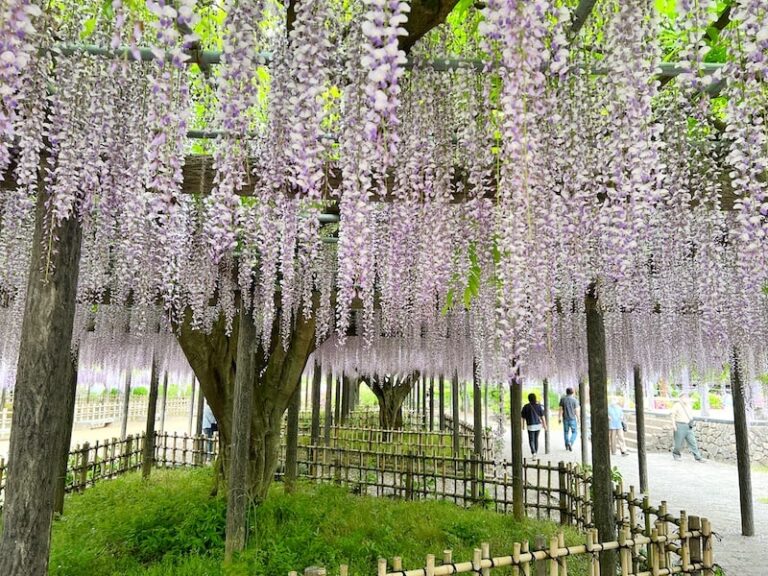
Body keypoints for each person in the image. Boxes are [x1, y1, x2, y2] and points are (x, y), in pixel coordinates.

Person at [670, 393, 705, 462]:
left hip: (688, 426)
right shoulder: (677, 405)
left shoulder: (689, 405)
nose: (686, 399)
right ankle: (676, 454)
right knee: (678, 442)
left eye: (686, 397)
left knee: (693, 441)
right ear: (680, 398)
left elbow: (690, 414)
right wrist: (674, 425)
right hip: (680, 425)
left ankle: (698, 457)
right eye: (684, 397)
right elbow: (672, 416)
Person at [521, 393, 547, 458]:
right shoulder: (539, 406)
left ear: (529, 399)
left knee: (531, 440)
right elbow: (542, 417)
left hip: (530, 426)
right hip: (538, 425)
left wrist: (523, 426)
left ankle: (533, 452)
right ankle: (535, 452)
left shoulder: (526, 407)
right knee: (536, 439)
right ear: (535, 398)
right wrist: (545, 425)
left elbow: (522, 418)